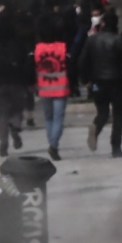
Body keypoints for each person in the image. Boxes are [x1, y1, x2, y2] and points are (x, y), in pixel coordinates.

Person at [0, 13, 35, 157]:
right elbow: (28, 66)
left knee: (1, 115)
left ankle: (3, 143)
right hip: (17, 84)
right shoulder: (19, 46)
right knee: (17, 110)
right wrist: (29, 82)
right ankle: (15, 127)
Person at [78, 10, 122, 158]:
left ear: (103, 23)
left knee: (103, 112)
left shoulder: (92, 40)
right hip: (115, 80)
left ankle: (97, 125)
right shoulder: (118, 40)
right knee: (118, 114)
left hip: (97, 82)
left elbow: (82, 61)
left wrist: (85, 79)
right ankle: (116, 147)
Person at [34, 15, 69, 161]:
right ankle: (54, 145)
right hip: (60, 88)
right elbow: (70, 64)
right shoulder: (62, 47)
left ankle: (52, 143)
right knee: (58, 117)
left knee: (48, 118)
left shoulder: (37, 49)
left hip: (44, 87)